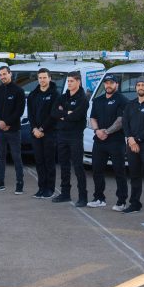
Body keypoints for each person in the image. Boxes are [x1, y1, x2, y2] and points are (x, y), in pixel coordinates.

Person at [90, 74, 129, 210]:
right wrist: (97, 131)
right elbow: (93, 118)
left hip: (116, 141)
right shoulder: (98, 100)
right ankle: (99, 198)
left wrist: (106, 132)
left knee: (119, 171)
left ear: (117, 85)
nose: (108, 85)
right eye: (106, 83)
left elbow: (120, 121)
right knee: (97, 170)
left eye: (111, 83)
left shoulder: (122, 100)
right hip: (99, 140)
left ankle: (121, 201)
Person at [52, 72, 89, 205]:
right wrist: (67, 112)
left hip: (75, 136)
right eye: (68, 81)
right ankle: (65, 193)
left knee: (78, 166)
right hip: (62, 135)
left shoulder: (83, 99)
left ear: (78, 82)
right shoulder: (62, 97)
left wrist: (64, 114)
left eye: (72, 81)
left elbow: (77, 116)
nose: (69, 84)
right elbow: (53, 112)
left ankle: (83, 197)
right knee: (63, 166)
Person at [122, 77, 144, 215]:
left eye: (143, 85)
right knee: (134, 176)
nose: (141, 87)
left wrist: (137, 139)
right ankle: (135, 204)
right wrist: (130, 139)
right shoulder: (130, 104)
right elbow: (125, 123)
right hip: (131, 145)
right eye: (138, 85)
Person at [0, 66, 26, 194]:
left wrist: (7, 123)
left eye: (5, 74)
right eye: (0, 75)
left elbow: (19, 111)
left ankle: (20, 184)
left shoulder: (18, 91)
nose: (3, 77)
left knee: (16, 157)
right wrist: (0, 122)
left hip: (13, 130)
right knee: (0, 157)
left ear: (10, 74)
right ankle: (0, 183)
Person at [26, 68, 57, 199]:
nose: (42, 80)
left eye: (44, 78)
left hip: (49, 133)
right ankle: (41, 188)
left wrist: (42, 129)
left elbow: (53, 115)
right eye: (40, 78)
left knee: (49, 161)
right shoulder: (33, 95)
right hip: (35, 133)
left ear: (49, 78)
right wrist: (34, 129)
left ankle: (50, 189)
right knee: (39, 161)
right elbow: (31, 114)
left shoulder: (55, 94)